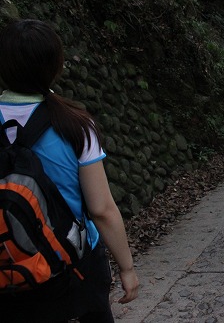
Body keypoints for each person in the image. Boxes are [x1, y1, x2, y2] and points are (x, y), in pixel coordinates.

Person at [0, 19, 139, 322]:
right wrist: (127, 268)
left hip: (6, 265)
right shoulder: (75, 125)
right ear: (57, 65)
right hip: (73, 264)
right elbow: (101, 209)